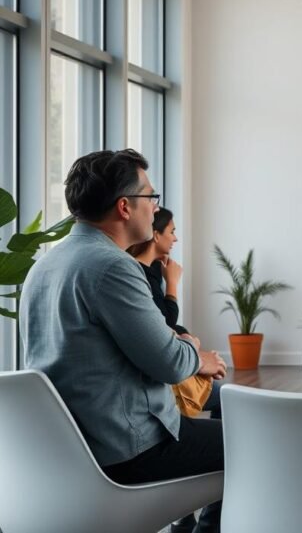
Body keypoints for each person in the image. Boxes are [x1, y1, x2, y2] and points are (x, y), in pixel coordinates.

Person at [20, 149, 227, 533]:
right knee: (256, 441)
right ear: (125, 207)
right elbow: (169, 362)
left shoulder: (43, 267)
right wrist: (194, 352)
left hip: (70, 449)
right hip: (128, 451)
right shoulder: (113, 266)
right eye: (151, 197)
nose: (155, 208)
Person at [128, 207, 222, 423]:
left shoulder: (151, 269)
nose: (175, 238)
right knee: (225, 396)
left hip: (178, 357)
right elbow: (164, 322)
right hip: (169, 371)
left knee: (221, 390)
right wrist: (172, 282)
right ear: (156, 234)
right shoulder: (141, 272)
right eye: (171, 231)